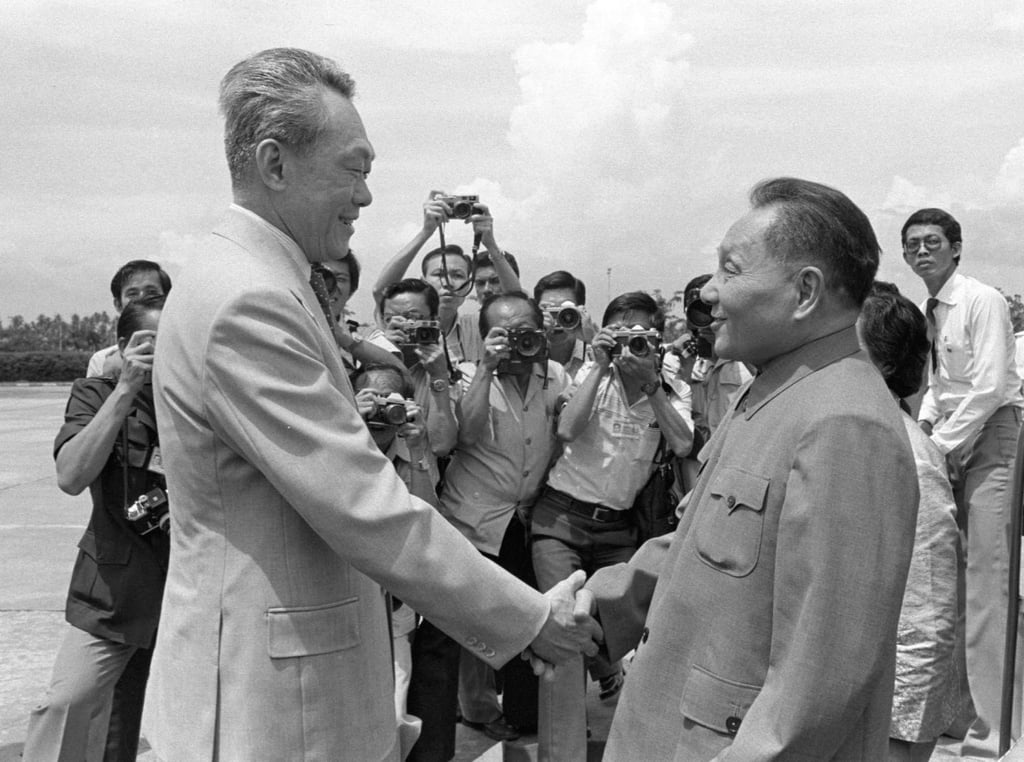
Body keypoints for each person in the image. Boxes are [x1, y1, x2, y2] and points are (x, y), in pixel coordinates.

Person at [144, 47, 600, 761]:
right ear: (274, 163)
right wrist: (528, 619)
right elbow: (362, 505)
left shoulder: (266, 280)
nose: (364, 197)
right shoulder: (249, 301)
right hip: (270, 709)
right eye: (353, 170)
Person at [578, 178, 919, 760]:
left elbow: (818, 684)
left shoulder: (845, 424)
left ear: (805, 291)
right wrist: (596, 608)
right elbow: (701, 544)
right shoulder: (779, 388)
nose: (708, 292)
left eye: (730, 271)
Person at [531, 290, 694, 761]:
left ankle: (616, 713)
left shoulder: (670, 386)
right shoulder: (590, 374)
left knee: (618, 632)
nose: (632, 345)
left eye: (642, 334)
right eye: (621, 334)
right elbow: (566, 429)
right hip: (561, 518)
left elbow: (683, 443)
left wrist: (651, 387)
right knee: (562, 628)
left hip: (619, 528)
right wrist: (601, 365)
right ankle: (564, 748)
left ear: (657, 338)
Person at [901, 208, 1024, 757]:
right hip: (952, 436)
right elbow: (940, 384)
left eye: (932, 242)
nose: (921, 251)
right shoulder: (932, 310)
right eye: (912, 244)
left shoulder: (982, 300)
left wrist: (937, 443)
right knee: (947, 576)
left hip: (993, 437)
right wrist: (926, 425)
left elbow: (991, 386)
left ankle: (993, 735)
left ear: (956, 248)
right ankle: (962, 713)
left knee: (989, 587)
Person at [24, 295, 169, 761]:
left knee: (129, 726)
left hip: (188, 588)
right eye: (152, 343)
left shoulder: (202, 399)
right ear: (123, 346)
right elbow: (71, 476)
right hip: (115, 588)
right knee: (68, 703)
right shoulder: (97, 394)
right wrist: (126, 389)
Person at [859, 282, 964, 761]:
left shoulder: (911, 460)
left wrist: (904, 738)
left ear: (881, 362)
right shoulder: (838, 437)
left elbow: (926, 617)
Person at [351, 362, 437, 750]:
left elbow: (429, 516)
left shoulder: (411, 449)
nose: (383, 412)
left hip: (394, 603)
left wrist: (418, 448)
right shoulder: (334, 441)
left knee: (393, 706)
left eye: (392, 402)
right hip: (345, 593)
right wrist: (348, 422)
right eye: (374, 401)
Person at [372, 192, 519, 366]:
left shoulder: (478, 326)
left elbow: (516, 303)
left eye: (458, 275)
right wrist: (426, 232)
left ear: (468, 286)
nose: (448, 283)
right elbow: (381, 291)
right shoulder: (402, 320)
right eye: (439, 274)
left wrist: (491, 244)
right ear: (423, 281)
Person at [86, 260, 171, 378]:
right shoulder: (101, 361)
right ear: (118, 304)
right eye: (132, 294)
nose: (142, 298)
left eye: (152, 292)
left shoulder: (185, 352)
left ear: (168, 298)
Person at [534, 270, 595, 380]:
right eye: (548, 310)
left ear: (580, 310)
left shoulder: (593, 353)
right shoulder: (525, 354)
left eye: (565, 312)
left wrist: (592, 341)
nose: (556, 320)